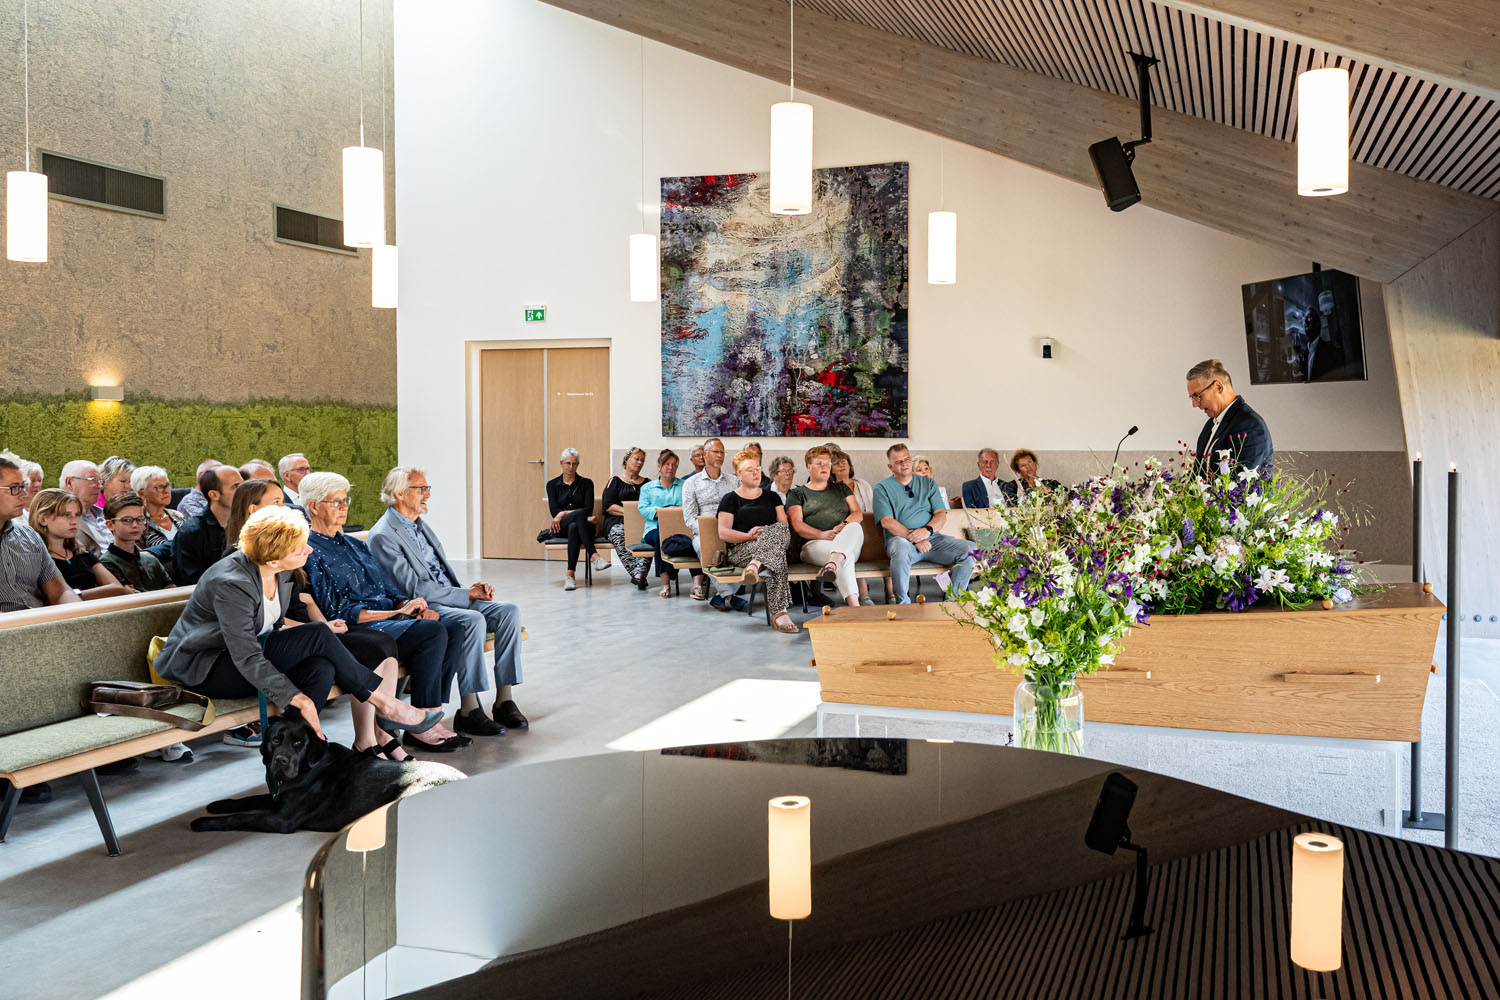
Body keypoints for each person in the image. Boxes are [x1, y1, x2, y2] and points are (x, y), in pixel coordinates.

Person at [153, 506, 444, 747]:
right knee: (317, 635)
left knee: (321, 668)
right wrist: (296, 698)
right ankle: (384, 703)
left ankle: (295, 756)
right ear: (273, 559)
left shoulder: (279, 570)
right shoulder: (232, 583)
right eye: (299, 548)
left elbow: (272, 622)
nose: (309, 550)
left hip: (246, 652)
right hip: (207, 668)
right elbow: (247, 656)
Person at [299, 472, 469, 754]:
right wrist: (395, 614)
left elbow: (388, 589)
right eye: (335, 501)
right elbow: (337, 611)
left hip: (389, 620)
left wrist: (412, 606)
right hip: (360, 629)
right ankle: (421, 725)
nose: (344, 507)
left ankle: (429, 715)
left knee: (453, 627)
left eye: (345, 500)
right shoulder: (310, 551)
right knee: (433, 633)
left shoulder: (355, 545)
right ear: (314, 506)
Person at [367, 465, 527, 737]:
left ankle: (504, 700)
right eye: (421, 489)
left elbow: (439, 574)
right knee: (472, 620)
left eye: (427, 488)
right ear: (399, 494)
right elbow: (415, 589)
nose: (427, 494)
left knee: (509, 612)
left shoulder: (419, 525)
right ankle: (469, 709)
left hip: (450, 597)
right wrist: (466, 596)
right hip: (422, 606)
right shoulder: (384, 535)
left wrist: (469, 590)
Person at [874, 444, 976, 605]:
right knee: (901, 547)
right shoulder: (882, 488)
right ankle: (903, 604)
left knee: (970, 549)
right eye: (898, 461)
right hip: (902, 541)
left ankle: (953, 602)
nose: (904, 464)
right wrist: (915, 539)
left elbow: (940, 514)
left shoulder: (928, 484)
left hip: (933, 540)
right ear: (890, 467)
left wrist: (927, 531)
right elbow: (887, 521)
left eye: (907, 459)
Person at [717, 449, 798, 633]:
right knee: (777, 557)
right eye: (750, 470)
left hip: (769, 545)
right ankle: (780, 614)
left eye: (758, 469)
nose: (756, 473)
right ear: (739, 474)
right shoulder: (730, 499)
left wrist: (766, 531)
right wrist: (749, 536)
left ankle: (754, 566)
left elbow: (783, 526)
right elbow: (723, 533)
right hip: (742, 549)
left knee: (780, 531)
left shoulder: (772, 497)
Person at [786, 446, 864, 608]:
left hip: (846, 540)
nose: (825, 467)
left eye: (828, 463)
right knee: (845, 556)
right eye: (819, 463)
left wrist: (842, 526)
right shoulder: (797, 494)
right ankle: (855, 607)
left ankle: (831, 564)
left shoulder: (841, 488)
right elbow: (797, 525)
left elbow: (857, 514)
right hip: (813, 545)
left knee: (855, 527)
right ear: (809, 467)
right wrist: (821, 534)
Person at [0, 457, 78, 611]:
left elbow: (60, 591)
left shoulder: (30, 536)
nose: (24, 494)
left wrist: (79, 612)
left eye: (23, 486)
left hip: (41, 620)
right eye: (14, 488)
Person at [29, 488, 135, 600]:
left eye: (76, 515)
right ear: (43, 519)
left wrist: (73, 595)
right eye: (67, 515)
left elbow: (116, 587)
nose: (74, 521)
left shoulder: (81, 553)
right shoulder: (36, 559)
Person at [682, 438, 741, 608]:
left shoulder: (734, 481)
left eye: (722, 452)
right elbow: (689, 518)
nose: (720, 455)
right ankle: (729, 595)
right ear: (705, 454)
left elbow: (741, 509)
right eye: (716, 452)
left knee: (749, 547)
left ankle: (722, 596)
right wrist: (709, 531)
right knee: (703, 545)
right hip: (704, 533)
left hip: (731, 530)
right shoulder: (691, 483)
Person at [1187, 359, 1273, 476]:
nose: (1195, 404)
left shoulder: (1250, 425)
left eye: (1197, 396)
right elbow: (1198, 474)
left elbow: (1241, 483)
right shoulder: (1210, 424)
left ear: (1218, 387)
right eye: (1192, 398)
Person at [540, 448, 605, 591]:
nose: (571, 467)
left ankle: (570, 575)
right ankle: (594, 556)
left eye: (574, 464)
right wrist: (575, 514)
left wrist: (563, 513)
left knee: (574, 526)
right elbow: (554, 511)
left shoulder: (587, 483)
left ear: (578, 465)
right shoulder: (552, 485)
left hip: (584, 527)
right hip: (561, 527)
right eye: (567, 463)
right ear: (561, 463)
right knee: (578, 515)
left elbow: (588, 509)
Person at [172, 465, 243, 585]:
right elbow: (191, 581)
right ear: (214, 495)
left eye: (243, 484)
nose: (244, 491)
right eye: (235, 486)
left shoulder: (247, 523)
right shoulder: (192, 532)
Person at [830, 449, 877, 604]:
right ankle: (863, 595)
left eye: (844, 461)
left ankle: (889, 593)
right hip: (843, 530)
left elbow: (872, 508)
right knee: (849, 547)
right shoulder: (831, 488)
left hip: (867, 527)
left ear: (850, 465)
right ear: (831, 469)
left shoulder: (862, 484)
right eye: (836, 463)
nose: (841, 465)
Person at [100, 492, 173, 591]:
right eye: (127, 520)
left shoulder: (151, 560)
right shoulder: (106, 564)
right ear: (110, 525)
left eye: (140, 519)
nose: (135, 525)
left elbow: (172, 590)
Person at [601, 447, 651, 589]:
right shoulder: (615, 481)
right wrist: (629, 513)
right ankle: (638, 574)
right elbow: (608, 506)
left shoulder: (648, 483)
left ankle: (638, 576)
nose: (639, 462)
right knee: (619, 532)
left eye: (642, 460)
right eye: (636, 459)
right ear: (627, 460)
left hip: (642, 522)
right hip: (617, 521)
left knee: (649, 536)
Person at [637, 449, 684, 598]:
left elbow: (688, 507)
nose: (670, 467)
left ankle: (676, 576)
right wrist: (667, 511)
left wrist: (667, 510)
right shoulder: (647, 488)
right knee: (661, 536)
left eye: (674, 464)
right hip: (653, 529)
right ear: (659, 466)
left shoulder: (684, 485)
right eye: (667, 464)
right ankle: (665, 583)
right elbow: (644, 509)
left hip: (679, 528)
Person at [58, 460, 113, 553]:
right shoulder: (58, 519)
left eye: (100, 481)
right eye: (92, 480)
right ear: (69, 483)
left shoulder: (105, 514)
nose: (99, 486)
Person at [132, 466, 183, 547]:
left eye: (167, 485)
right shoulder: (136, 523)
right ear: (142, 493)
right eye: (159, 487)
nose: (166, 491)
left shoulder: (177, 516)